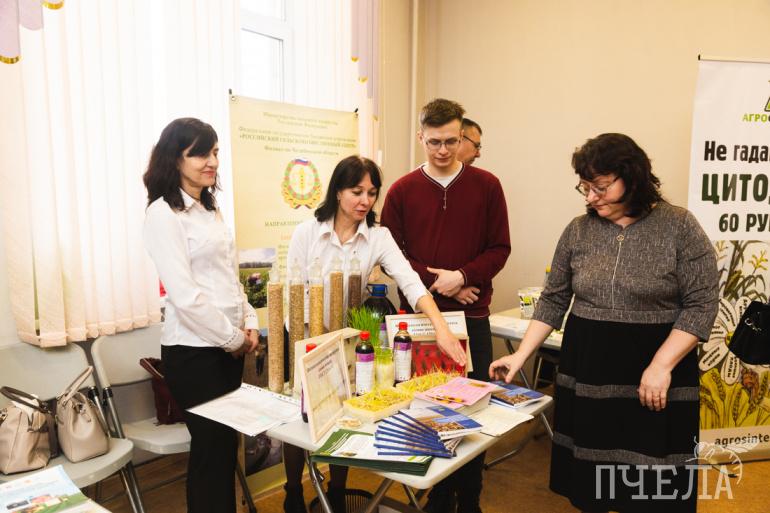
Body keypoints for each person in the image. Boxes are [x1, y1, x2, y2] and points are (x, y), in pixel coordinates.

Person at [489, 133, 718, 513]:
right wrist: (520, 355)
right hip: (589, 368)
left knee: (652, 484)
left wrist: (661, 366)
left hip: (656, 369)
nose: (591, 197)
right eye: (585, 187)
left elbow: (701, 303)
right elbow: (555, 298)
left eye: (601, 187)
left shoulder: (679, 226)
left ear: (633, 178)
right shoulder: (578, 229)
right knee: (593, 481)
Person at [282, 155, 466, 513]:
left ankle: (337, 491)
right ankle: (292, 491)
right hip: (306, 340)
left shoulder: (377, 236)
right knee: (297, 422)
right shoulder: (307, 233)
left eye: (371, 192)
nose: (365, 200)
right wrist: (318, 341)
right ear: (338, 191)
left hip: (346, 344)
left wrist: (441, 329)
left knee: (344, 418)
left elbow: (411, 282)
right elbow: (295, 293)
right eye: (357, 192)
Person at [381, 98, 511, 513]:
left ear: (462, 138)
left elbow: (500, 248)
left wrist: (465, 276)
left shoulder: (487, 185)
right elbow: (390, 256)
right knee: (426, 412)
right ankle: (438, 495)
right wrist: (446, 283)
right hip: (419, 323)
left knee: (474, 415)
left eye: (451, 141)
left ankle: (470, 499)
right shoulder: (401, 191)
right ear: (420, 136)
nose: (442, 150)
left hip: (472, 319)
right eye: (434, 141)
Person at [142, 118, 260, 513]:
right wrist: (233, 339)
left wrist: (250, 322)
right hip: (193, 354)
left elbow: (228, 278)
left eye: (215, 152)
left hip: (226, 349)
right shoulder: (163, 213)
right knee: (211, 451)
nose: (212, 162)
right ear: (175, 159)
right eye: (200, 154)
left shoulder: (210, 208)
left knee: (223, 450)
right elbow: (185, 296)